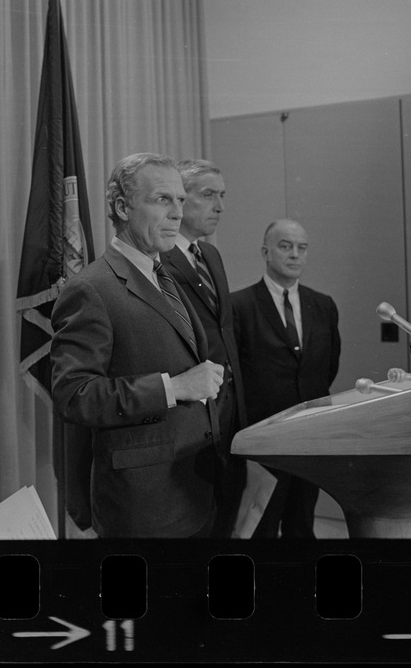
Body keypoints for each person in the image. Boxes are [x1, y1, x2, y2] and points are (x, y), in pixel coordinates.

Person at [50, 153, 225, 538]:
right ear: (121, 207)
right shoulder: (92, 288)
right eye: (163, 199)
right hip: (143, 508)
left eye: (181, 200)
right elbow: (73, 395)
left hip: (193, 488)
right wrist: (173, 387)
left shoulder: (165, 276)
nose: (177, 213)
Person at [230, 218, 340, 538]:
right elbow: (234, 375)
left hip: (309, 436)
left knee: (302, 524)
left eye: (301, 248)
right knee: (261, 528)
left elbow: (327, 366)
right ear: (266, 252)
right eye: (285, 246)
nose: (295, 255)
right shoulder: (240, 306)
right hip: (263, 436)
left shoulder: (323, 305)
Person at [160, 159, 247, 537]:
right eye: (208, 194)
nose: (220, 206)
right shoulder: (158, 259)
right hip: (190, 415)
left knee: (226, 516)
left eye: (222, 195)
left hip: (229, 414)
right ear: (179, 201)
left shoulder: (210, 255)